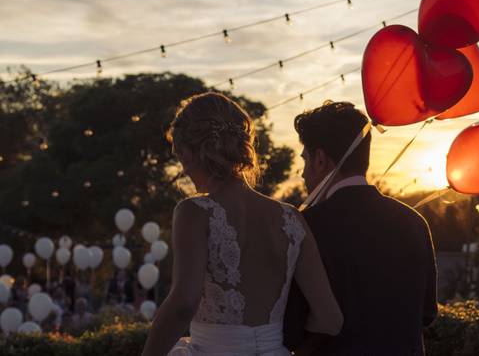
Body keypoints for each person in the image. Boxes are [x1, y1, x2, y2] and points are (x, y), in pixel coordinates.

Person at [142, 92, 343, 356]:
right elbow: (330, 319)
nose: (184, 170)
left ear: (194, 153)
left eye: (181, 156)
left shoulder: (194, 212)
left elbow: (184, 303)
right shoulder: (292, 219)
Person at [284, 101, 438, 356]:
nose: (302, 174)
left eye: (305, 160)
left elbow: (291, 328)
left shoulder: (306, 226)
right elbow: (427, 313)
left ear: (320, 159)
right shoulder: (413, 221)